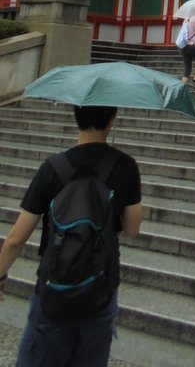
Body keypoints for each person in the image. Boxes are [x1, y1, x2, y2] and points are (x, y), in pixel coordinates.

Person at [0, 104, 142, 367]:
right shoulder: (126, 167)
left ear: (76, 116)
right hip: (101, 288)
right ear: (112, 120)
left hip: (54, 288)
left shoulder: (53, 168)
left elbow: (15, 239)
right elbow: (133, 230)